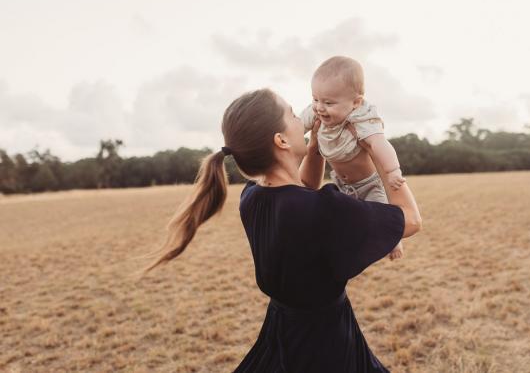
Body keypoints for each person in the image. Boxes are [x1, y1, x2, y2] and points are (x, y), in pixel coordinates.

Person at [141, 88, 422, 372]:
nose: (303, 117)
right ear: (281, 140)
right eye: (291, 113)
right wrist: (377, 147)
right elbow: (411, 219)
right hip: (328, 347)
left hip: (282, 335)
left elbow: (301, 192)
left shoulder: (252, 198)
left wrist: (314, 147)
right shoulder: (323, 208)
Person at [300, 56, 406, 260]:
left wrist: (393, 171)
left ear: (356, 102)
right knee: (337, 221)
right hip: (340, 184)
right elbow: (296, 127)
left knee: (383, 216)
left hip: (370, 185)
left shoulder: (361, 118)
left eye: (328, 102)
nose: (320, 107)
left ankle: (394, 239)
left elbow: (379, 143)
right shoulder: (316, 113)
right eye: (315, 99)